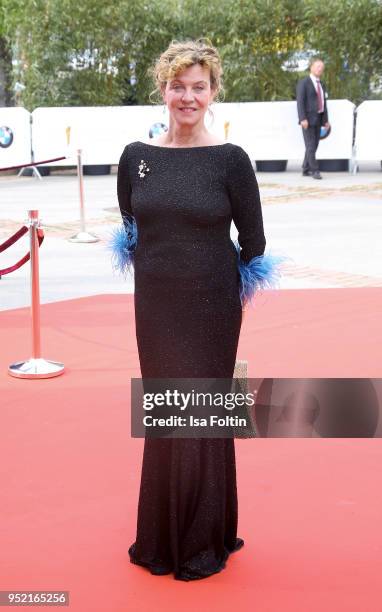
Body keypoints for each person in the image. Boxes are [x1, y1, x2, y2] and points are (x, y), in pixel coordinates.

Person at [110, 38, 283, 581]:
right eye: (178, 86)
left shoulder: (231, 161)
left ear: (213, 92)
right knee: (167, 409)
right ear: (164, 89)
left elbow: (253, 243)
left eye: (198, 87)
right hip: (155, 306)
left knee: (200, 411)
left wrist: (209, 279)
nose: (188, 97)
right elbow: (133, 228)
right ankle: (161, 535)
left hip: (211, 308)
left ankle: (203, 537)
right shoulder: (136, 158)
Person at [296, 57, 331, 179]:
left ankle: (305, 168)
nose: (320, 69)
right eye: (318, 66)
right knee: (310, 145)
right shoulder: (304, 83)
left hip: (319, 119)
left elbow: (324, 103)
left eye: (322, 67)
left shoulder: (321, 84)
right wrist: (302, 118)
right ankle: (314, 170)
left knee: (314, 145)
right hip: (307, 120)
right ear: (311, 67)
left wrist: (326, 120)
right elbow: (300, 102)